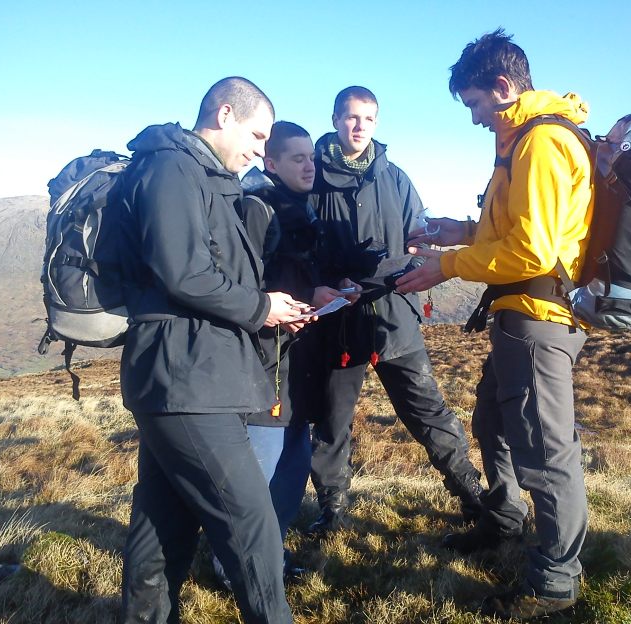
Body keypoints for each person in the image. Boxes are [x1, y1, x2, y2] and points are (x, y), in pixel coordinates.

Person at [396, 30, 594, 620]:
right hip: (519, 318)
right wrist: (459, 231)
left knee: (545, 452)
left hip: (538, 320)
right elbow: (517, 230)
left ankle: (554, 585)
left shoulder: (541, 143)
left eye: (476, 103)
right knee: (493, 421)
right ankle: (504, 518)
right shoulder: (524, 139)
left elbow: (532, 252)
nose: (475, 117)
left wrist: (446, 266)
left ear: (503, 87)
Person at [117, 77, 311, 624]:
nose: (260, 150)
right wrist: (261, 307)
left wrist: (270, 306)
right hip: (182, 375)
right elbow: (184, 272)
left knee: (164, 523)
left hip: (193, 372)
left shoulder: (203, 176)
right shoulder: (170, 169)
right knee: (252, 525)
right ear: (225, 115)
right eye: (257, 135)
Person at [306, 85, 484, 536]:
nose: (359, 126)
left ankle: (471, 494)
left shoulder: (396, 178)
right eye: (351, 117)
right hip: (336, 321)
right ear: (335, 119)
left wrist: (397, 269)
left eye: (367, 118)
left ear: (377, 122)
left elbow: (417, 241)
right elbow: (300, 250)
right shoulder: (312, 176)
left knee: (428, 410)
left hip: (393, 313)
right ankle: (332, 511)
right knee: (331, 421)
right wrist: (327, 283)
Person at [213, 121, 361, 587]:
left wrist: (334, 286)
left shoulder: (301, 210)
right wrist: (307, 293)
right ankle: (234, 568)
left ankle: (268, 556)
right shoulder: (257, 208)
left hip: (297, 364)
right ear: (271, 163)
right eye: (297, 158)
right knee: (262, 471)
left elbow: (298, 273)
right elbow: (243, 286)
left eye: (311, 157)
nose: (309, 166)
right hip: (266, 366)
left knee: (292, 468)